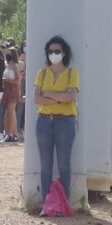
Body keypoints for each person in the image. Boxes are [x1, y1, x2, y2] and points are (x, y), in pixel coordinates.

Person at [32, 36, 79, 209]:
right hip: (44, 122)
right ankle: (47, 203)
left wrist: (48, 95)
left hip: (65, 122)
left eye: (57, 51)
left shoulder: (72, 73)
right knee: (45, 166)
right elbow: (37, 99)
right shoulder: (42, 73)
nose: (54, 54)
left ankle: (63, 204)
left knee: (64, 165)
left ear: (64, 53)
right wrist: (59, 99)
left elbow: (71, 96)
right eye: (50, 51)